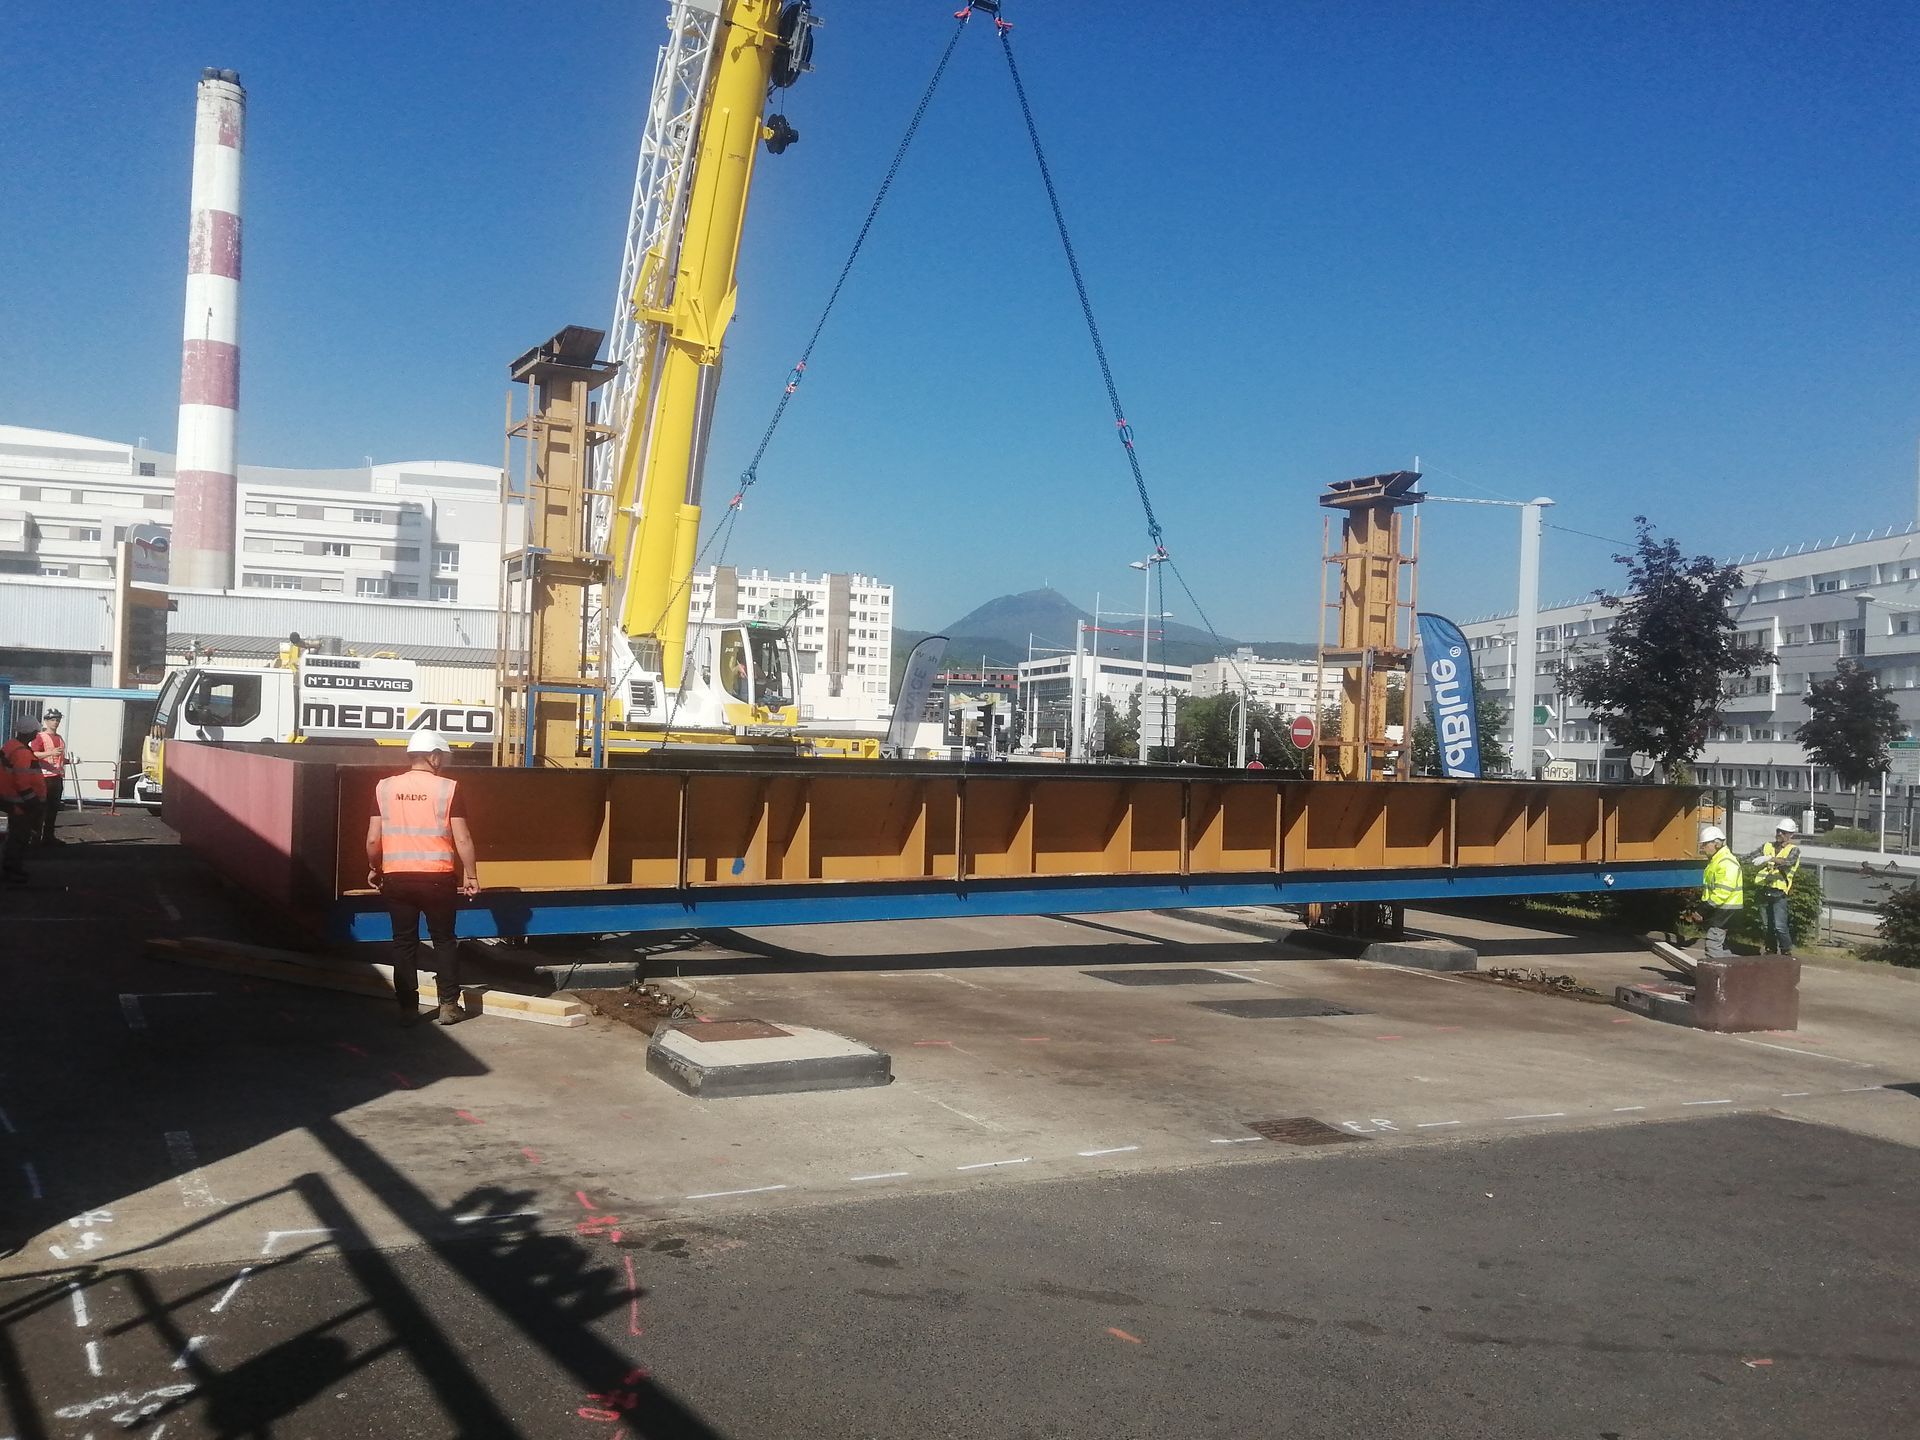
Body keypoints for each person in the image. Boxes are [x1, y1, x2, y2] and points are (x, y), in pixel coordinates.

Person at [365, 731, 478, 1027]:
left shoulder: (385, 788)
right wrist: (471, 874)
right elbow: (462, 838)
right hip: (437, 879)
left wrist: (375, 867)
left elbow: (373, 840)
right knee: (443, 941)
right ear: (435, 756)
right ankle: (449, 1006)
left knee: (403, 943)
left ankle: (406, 1009)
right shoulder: (448, 789)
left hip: (397, 879)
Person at [1690, 824, 1744, 960]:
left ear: (1717, 843)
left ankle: (1714, 974)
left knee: (1713, 942)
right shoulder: (1717, 860)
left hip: (1726, 907)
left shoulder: (1726, 862)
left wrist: (1703, 910)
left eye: (1705, 844)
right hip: (1725, 907)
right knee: (1721, 944)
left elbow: (1722, 892)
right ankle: (1730, 973)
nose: (1702, 848)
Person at [1749, 818, 1802, 957]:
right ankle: (1770, 950)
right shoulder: (1767, 846)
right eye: (1778, 831)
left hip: (1779, 893)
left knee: (1779, 926)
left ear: (1791, 835)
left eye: (1783, 832)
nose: (1780, 834)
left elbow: (1788, 862)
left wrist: (1769, 859)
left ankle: (1786, 951)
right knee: (1767, 925)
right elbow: (1749, 857)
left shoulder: (1794, 850)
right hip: (1764, 890)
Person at [0, 727, 40, 882]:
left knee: (15, 835)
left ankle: (11, 867)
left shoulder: (10, 746)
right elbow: (22, 780)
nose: (36, 734)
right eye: (35, 731)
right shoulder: (22, 752)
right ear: (29, 733)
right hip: (20, 801)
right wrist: (32, 800)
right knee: (19, 836)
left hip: (10, 798)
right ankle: (12, 869)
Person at [30, 709, 69, 844]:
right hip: (44, 778)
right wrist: (50, 752)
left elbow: (57, 757)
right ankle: (35, 838)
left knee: (53, 809)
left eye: (57, 719)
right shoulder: (40, 737)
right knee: (40, 809)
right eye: (52, 719)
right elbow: (33, 754)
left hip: (57, 776)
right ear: (46, 721)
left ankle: (48, 836)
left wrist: (68, 761)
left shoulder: (59, 738)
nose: (56, 722)